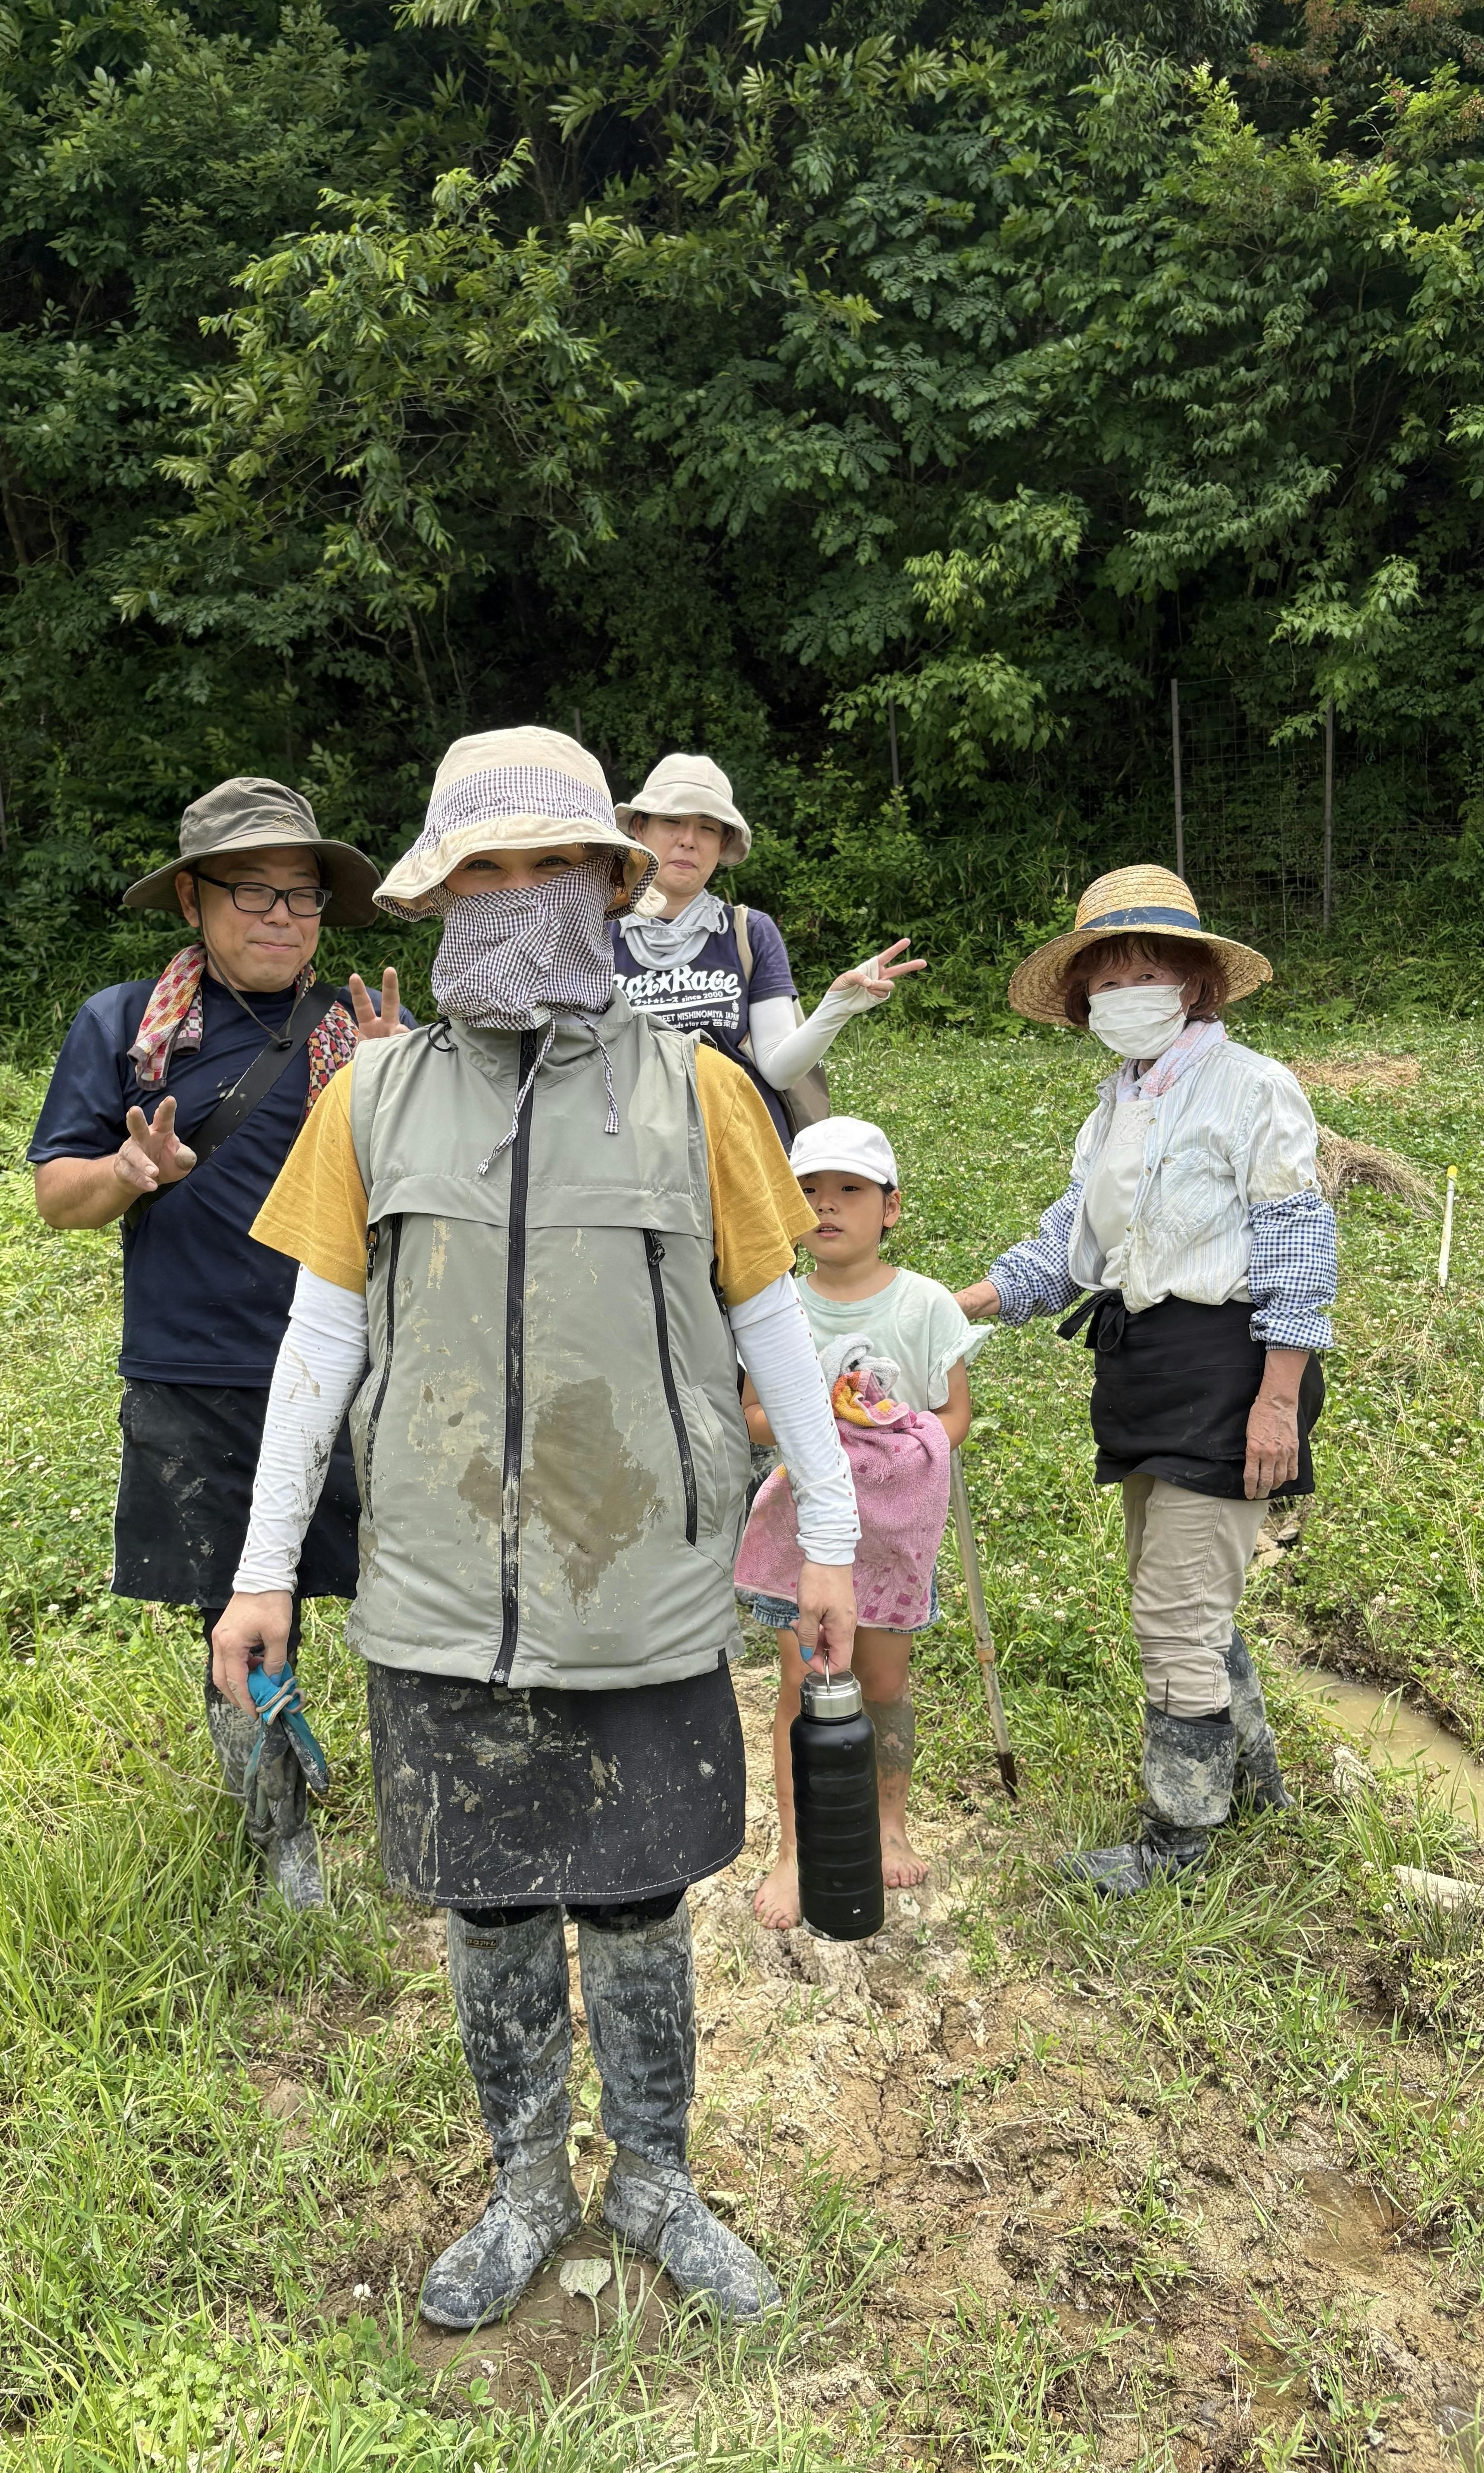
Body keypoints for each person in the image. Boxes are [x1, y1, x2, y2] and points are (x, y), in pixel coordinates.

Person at [203, 727, 860, 2329]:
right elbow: (318, 1341)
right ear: (435, 896)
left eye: (550, 865)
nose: (517, 896)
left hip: (640, 1581)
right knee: (490, 1903)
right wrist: (265, 1567)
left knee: (639, 1899)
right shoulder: (372, 1099)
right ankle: (522, 2186)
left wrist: (830, 1533)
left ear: (609, 886)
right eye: (482, 870)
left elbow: (775, 1322)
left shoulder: (699, 1092)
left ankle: (653, 2178)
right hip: (436, 1588)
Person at [28, 777, 407, 1908]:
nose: (282, 917)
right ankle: (279, 1831)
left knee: (405, 1593)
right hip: (194, 1369)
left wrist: (401, 1096)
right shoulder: (125, 1029)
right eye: (253, 891)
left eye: (303, 895)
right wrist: (128, 1169)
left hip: (352, 1368)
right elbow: (58, 1197)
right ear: (194, 900)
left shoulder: (364, 1032)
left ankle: (423, 1802)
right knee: (232, 1612)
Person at [955, 865, 1336, 1896]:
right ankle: (1251, 1777)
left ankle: (1181, 1840)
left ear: (1194, 984)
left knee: (1174, 1613)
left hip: (1233, 1369)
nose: (1127, 994)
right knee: (1179, 1597)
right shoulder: (1117, 1106)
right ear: (1085, 1000)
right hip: (1147, 1368)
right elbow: (1068, 1247)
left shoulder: (1252, 1088)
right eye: (1108, 978)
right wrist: (954, 1305)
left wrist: (1277, 1402)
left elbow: (1298, 1246)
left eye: (1147, 973)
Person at [739, 1117, 985, 1928]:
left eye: (850, 1190)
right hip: (802, 1538)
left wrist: (894, 1433)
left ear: (891, 1208)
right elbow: (751, 1414)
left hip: (891, 1539)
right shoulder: (774, 1305)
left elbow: (952, 1415)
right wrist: (816, 1423)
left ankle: (887, 1822)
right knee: (803, 1683)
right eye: (808, 1191)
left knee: (881, 1684)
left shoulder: (925, 1306)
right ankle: (792, 1848)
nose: (827, 1206)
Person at [609, 751, 926, 1148]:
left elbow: (777, 1069)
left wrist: (836, 1008)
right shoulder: (598, 933)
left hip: (744, 1151)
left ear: (723, 842)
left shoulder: (750, 932)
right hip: (635, 1152)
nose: (688, 840)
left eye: (707, 828)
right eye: (672, 821)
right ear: (640, 829)